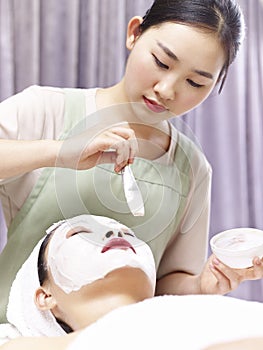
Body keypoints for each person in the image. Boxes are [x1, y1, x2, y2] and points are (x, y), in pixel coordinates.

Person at [1, 0, 263, 323]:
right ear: (134, 34)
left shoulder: (192, 170)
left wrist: (203, 284)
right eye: (162, 62)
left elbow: (165, 287)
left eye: (195, 83)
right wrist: (59, 151)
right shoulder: (46, 110)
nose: (167, 90)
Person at [2, 215, 263, 350]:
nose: (115, 233)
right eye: (80, 232)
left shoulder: (197, 316)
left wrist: (202, 288)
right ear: (45, 297)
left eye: (128, 234)